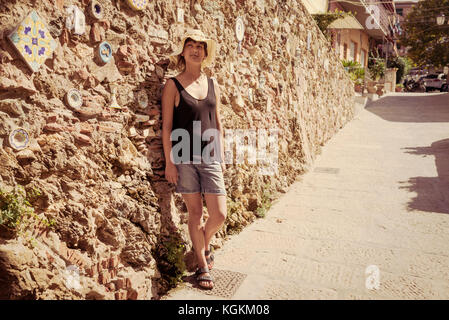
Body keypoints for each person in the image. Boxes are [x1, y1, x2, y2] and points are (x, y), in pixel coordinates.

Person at [161, 29, 227, 290]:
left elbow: (218, 122)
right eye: (191, 45)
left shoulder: (213, 83)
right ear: (183, 50)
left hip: (210, 156)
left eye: (201, 46)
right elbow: (166, 126)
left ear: (206, 53)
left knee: (220, 214)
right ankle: (201, 264)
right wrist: (169, 162)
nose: (196, 49)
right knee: (196, 214)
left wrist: (221, 154)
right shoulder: (173, 84)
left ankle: (205, 244)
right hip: (183, 157)